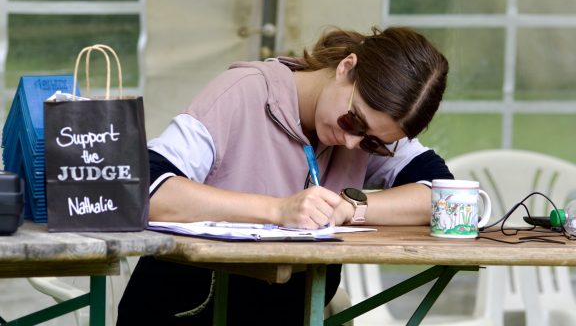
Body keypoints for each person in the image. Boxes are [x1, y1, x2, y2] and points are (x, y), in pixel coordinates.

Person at [117, 26, 454, 325]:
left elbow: (447, 197)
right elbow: (146, 190)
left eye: (372, 143)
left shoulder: (370, 131)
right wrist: (278, 210)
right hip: (185, 308)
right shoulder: (242, 91)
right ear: (346, 67)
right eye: (353, 121)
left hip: (285, 311)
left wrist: (350, 208)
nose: (353, 143)